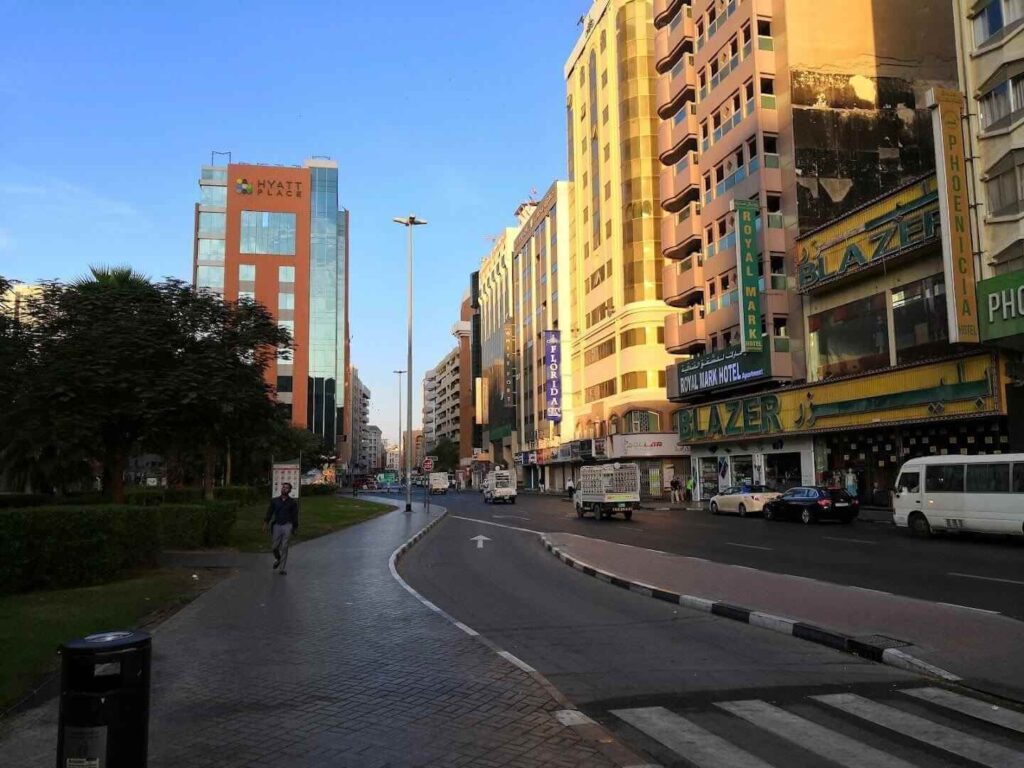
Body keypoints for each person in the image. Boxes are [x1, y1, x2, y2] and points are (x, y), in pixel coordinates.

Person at [264, 482, 299, 575]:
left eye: (286, 488)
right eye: (283, 487)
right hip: (277, 525)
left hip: (287, 525)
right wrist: (266, 523)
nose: (284, 489)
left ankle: (282, 569)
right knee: (274, 546)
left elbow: (295, 515)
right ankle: (278, 558)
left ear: (290, 490)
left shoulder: (292, 503)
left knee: (284, 546)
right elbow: (269, 512)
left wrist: (295, 527)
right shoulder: (275, 501)